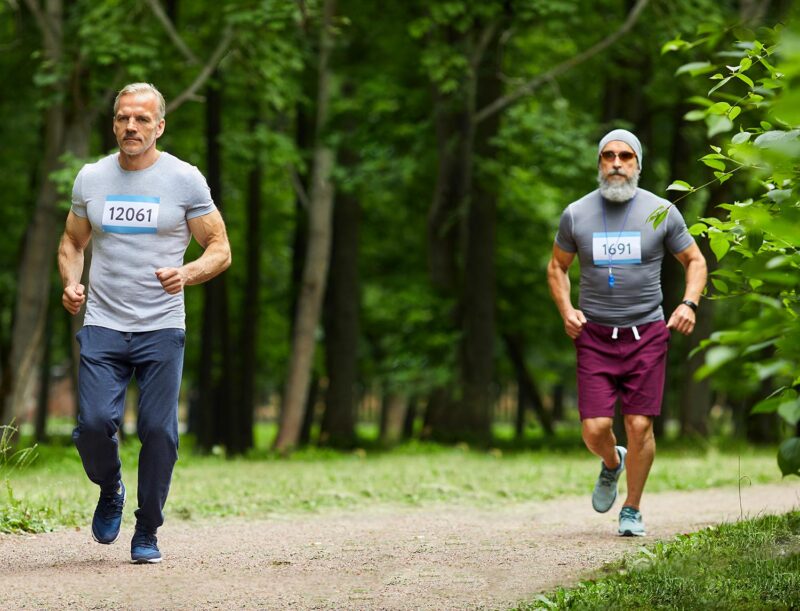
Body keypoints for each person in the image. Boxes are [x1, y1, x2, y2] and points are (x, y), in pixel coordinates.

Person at [58, 82, 231, 563]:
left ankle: (147, 528)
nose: (130, 127)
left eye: (140, 119)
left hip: (161, 326)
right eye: (122, 118)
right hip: (104, 323)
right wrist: (72, 282)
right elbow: (73, 242)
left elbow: (220, 248)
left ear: (159, 125)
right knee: (93, 425)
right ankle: (110, 484)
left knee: (158, 430)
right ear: (113, 123)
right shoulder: (91, 178)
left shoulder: (184, 180)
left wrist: (188, 272)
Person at [547, 129, 707, 536]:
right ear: (599, 163)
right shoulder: (576, 214)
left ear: (638, 164)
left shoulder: (661, 212)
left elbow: (695, 261)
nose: (617, 163)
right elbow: (557, 267)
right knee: (595, 429)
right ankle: (611, 462)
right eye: (608, 156)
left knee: (639, 426)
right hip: (595, 336)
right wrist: (567, 309)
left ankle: (632, 508)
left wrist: (689, 303)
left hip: (647, 334)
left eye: (625, 156)